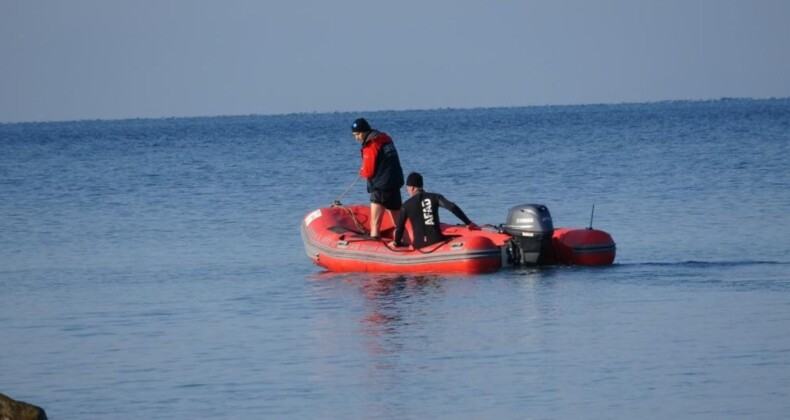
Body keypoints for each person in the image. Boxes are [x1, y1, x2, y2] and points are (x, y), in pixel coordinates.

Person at [390, 172, 480, 249]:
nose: (408, 191)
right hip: (436, 241)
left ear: (412, 188)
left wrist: (397, 243)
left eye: (408, 189)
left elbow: (399, 228)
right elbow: (452, 207)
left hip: (418, 245)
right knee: (460, 238)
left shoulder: (406, 205)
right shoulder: (435, 197)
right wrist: (468, 222)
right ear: (421, 185)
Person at [352, 118, 404, 239]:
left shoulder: (371, 145)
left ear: (365, 131)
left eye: (358, 134)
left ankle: (375, 247)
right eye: (354, 135)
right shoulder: (385, 138)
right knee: (398, 223)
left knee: (374, 223)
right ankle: (406, 243)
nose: (357, 138)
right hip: (395, 184)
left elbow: (368, 172)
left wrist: (362, 171)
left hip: (381, 187)